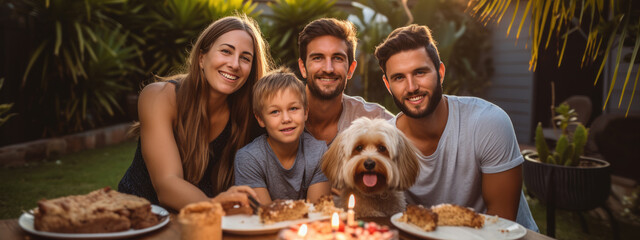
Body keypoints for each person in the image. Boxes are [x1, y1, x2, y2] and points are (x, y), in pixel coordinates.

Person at [374, 24, 538, 231]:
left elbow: (502, 225)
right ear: (388, 85)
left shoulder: (487, 122)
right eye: (399, 78)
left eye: (420, 72)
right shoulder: (383, 144)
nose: (412, 87)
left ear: (440, 72)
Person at [118, 15, 272, 212]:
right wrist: (216, 207)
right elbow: (167, 184)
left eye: (245, 58)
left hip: (205, 222)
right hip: (142, 218)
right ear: (201, 58)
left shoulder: (249, 114)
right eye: (226, 51)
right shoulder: (159, 97)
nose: (234, 64)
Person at [234, 68, 331, 205]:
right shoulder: (249, 158)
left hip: (309, 225)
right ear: (260, 119)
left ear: (305, 112)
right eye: (275, 112)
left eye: (293, 108)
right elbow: (265, 216)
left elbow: (317, 213)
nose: (286, 119)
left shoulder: (319, 152)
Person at [297, 18, 393, 145]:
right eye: (318, 58)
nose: (328, 68)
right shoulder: (277, 118)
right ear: (303, 67)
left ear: (351, 69)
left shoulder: (376, 120)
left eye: (337, 58)